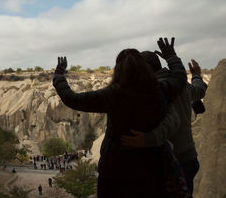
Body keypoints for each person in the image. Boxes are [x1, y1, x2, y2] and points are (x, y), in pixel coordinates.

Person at [53, 38, 187, 197]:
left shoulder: (114, 95)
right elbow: (180, 77)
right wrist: (171, 56)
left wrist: (59, 76)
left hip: (115, 171)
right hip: (151, 167)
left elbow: (72, 99)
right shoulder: (161, 91)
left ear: (119, 70)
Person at [121, 53, 207, 197]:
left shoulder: (153, 91)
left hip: (167, 164)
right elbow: (200, 89)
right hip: (189, 157)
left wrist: (146, 139)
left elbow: (171, 122)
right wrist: (196, 75)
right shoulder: (182, 85)